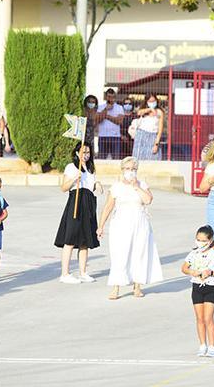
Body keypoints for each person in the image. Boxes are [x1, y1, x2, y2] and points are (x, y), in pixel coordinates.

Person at [97, 156, 163, 300]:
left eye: (133, 169)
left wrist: (136, 186)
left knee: (139, 253)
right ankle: (116, 287)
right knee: (120, 254)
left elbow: (148, 200)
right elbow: (108, 207)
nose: (130, 171)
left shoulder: (142, 184)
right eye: (127, 169)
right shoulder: (116, 186)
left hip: (140, 222)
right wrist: (100, 226)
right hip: (121, 223)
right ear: (122, 170)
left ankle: (137, 286)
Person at [56, 143, 102, 284]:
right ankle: (65, 273)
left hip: (88, 204)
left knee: (85, 241)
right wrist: (73, 179)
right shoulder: (71, 167)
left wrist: (97, 184)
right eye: (83, 152)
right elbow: (63, 188)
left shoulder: (91, 169)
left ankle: (83, 272)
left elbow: (90, 185)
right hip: (75, 202)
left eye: (88, 152)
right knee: (70, 239)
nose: (86, 155)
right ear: (77, 153)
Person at [182, 225, 214, 358]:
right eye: (198, 239)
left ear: (210, 240)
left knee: (208, 318)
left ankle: (212, 346)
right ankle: (202, 345)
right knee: (199, 318)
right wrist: (192, 272)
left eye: (203, 240)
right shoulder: (193, 253)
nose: (200, 243)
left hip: (211, 287)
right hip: (197, 287)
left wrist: (211, 272)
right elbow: (184, 268)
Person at [133, 93, 164, 160]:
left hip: (153, 136)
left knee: (152, 157)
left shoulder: (159, 112)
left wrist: (156, 143)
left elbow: (160, 129)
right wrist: (150, 109)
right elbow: (139, 113)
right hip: (141, 135)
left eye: (153, 101)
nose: (152, 103)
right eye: (150, 102)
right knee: (138, 157)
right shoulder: (143, 110)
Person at [97, 88, 125, 160]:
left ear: (115, 98)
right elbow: (98, 120)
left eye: (112, 97)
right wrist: (106, 109)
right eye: (109, 97)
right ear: (106, 97)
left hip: (115, 137)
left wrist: (106, 116)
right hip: (103, 136)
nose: (110, 99)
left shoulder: (119, 108)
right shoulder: (100, 107)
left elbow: (119, 121)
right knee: (101, 158)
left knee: (116, 158)